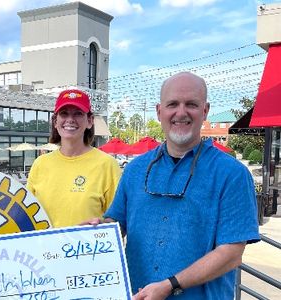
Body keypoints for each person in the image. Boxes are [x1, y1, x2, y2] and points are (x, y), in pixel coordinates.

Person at [90, 72, 260, 299]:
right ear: (160, 112)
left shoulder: (232, 174)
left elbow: (231, 253)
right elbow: (117, 223)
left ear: (205, 110)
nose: (181, 112)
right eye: (172, 104)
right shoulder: (135, 169)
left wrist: (170, 285)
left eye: (191, 104)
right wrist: (97, 230)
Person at [26, 89, 121, 227]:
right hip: (46, 248)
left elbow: (118, 220)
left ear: (90, 121)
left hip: (88, 248)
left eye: (78, 114)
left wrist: (103, 224)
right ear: (55, 121)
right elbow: (27, 213)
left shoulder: (107, 165)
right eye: (64, 113)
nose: (70, 119)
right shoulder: (40, 164)